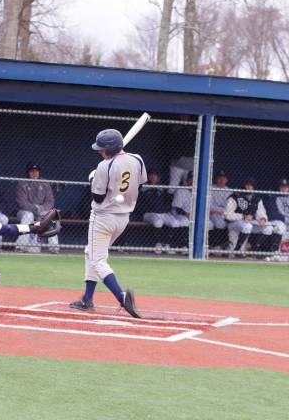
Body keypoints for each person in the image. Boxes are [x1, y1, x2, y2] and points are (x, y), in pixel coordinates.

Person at [69, 129, 146, 318]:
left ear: (110, 149)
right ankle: (87, 299)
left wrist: (93, 179)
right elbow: (140, 186)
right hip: (123, 218)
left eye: (102, 149)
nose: (99, 151)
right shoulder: (137, 159)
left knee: (97, 260)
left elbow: (98, 196)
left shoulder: (104, 166)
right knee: (91, 253)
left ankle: (122, 297)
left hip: (103, 218)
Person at [15, 163, 59, 253]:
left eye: (36, 171)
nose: (34, 173)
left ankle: (54, 247)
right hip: (24, 212)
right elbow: (22, 202)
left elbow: (50, 201)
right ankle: (20, 246)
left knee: (50, 216)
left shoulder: (45, 183)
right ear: (28, 173)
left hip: (41, 211)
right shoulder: (22, 183)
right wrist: (35, 209)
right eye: (32, 171)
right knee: (28, 216)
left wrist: (40, 209)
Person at [224, 177, 273, 257]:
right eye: (247, 185)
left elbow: (261, 213)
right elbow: (227, 215)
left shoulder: (256, 198)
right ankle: (237, 250)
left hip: (249, 223)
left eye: (251, 185)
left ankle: (254, 251)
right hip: (234, 223)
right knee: (247, 226)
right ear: (243, 185)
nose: (249, 187)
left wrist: (262, 219)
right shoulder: (234, 196)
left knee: (269, 228)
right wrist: (243, 216)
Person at [133, 169, 173, 254]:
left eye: (155, 175)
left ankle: (166, 244)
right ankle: (158, 244)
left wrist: (163, 210)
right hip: (148, 214)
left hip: (162, 213)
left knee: (173, 222)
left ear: (158, 178)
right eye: (151, 175)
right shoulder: (143, 189)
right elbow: (139, 205)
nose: (153, 177)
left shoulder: (162, 189)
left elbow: (167, 203)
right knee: (158, 222)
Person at [209, 170, 231, 250]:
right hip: (210, 214)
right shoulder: (210, 188)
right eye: (219, 178)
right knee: (218, 223)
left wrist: (220, 211)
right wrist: (219, 210)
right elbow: (209, 206)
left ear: (226, 180)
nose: (221, 180)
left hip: (223, 214)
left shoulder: (229, 191)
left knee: (224, 223)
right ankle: (214, 244)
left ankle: (221, 245)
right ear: (216, 179)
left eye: (223, 178)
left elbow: (229, 207)